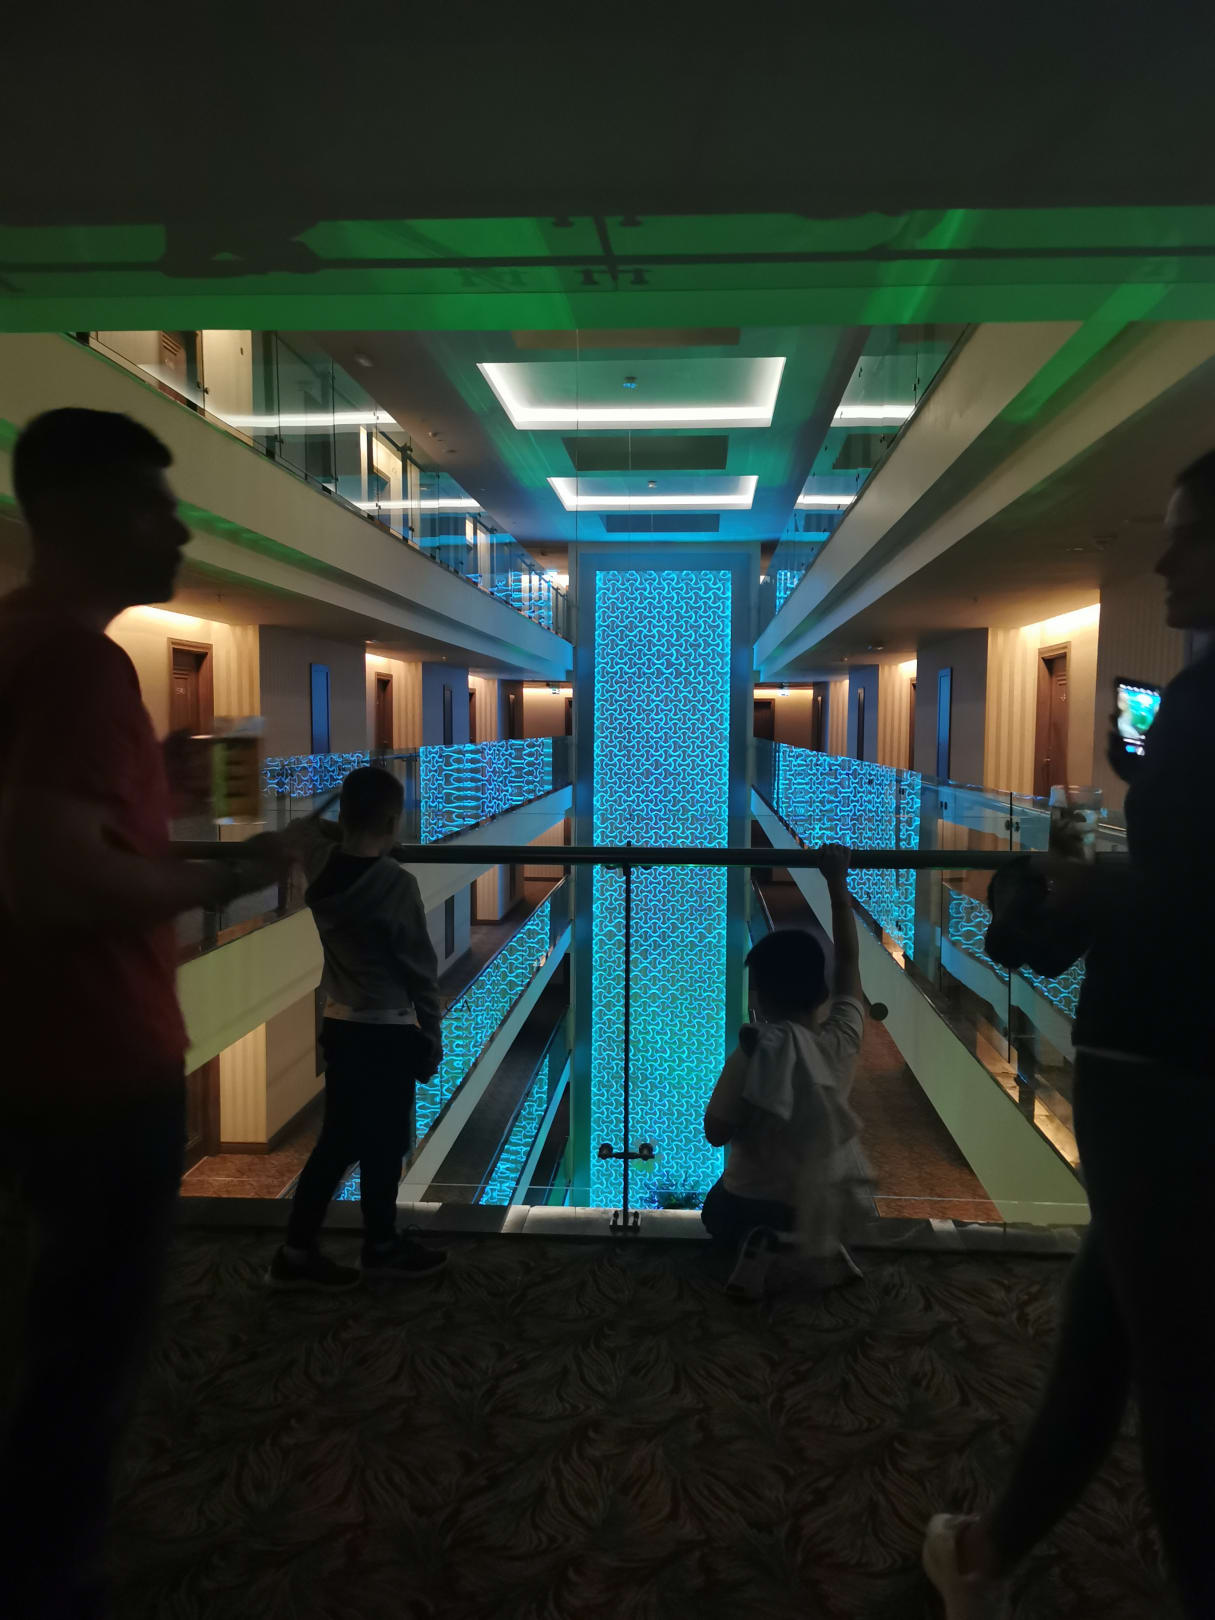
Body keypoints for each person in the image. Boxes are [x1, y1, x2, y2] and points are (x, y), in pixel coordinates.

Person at [0, 408, 285, 1619]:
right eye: (153, 508)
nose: (178, 533)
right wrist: (223, 877)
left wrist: (155, 791)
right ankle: (48, 1583)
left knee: (40, 1338)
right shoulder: (79, 664)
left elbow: (57, 833)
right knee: (82, 1354)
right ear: (77, 516)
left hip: (28, 1058)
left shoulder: (17, 644)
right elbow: (55, 879)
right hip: (95, 1060)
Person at [924, 449, 1215, 1620]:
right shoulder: (1194, 698)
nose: (1164, 555)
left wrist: (1089, 891)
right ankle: (986, 1555)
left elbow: (1188, 902)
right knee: (1110, 1322)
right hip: (1172, 1068)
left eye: (1192, 533)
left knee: (1181, 1384)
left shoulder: (1203, 705)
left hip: (1158, 1067)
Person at [269, 766, 447, 1289]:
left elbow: (302, 829)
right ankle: (381, 1245)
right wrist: (432, 1035)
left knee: (337, 1142)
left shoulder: (321, 863)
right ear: (392, 822)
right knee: (385, 1145)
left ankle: (297, 1249)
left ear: (345, 817)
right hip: (388, 1031)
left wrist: (351, 831)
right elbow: (420, 971)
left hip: (341, 1023)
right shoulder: (396, 885)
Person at [701, 845, 868, 1296]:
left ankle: (769, 1242)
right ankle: (813, 1243)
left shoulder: (753, 1049)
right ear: (822, 992)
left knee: (715, 1213)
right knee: (817, 1203)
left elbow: (715, 1131)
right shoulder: (843, 1038)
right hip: (824, 1204)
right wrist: (837, 883)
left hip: (749, 1206)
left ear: (759, 998)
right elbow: (849, 963)